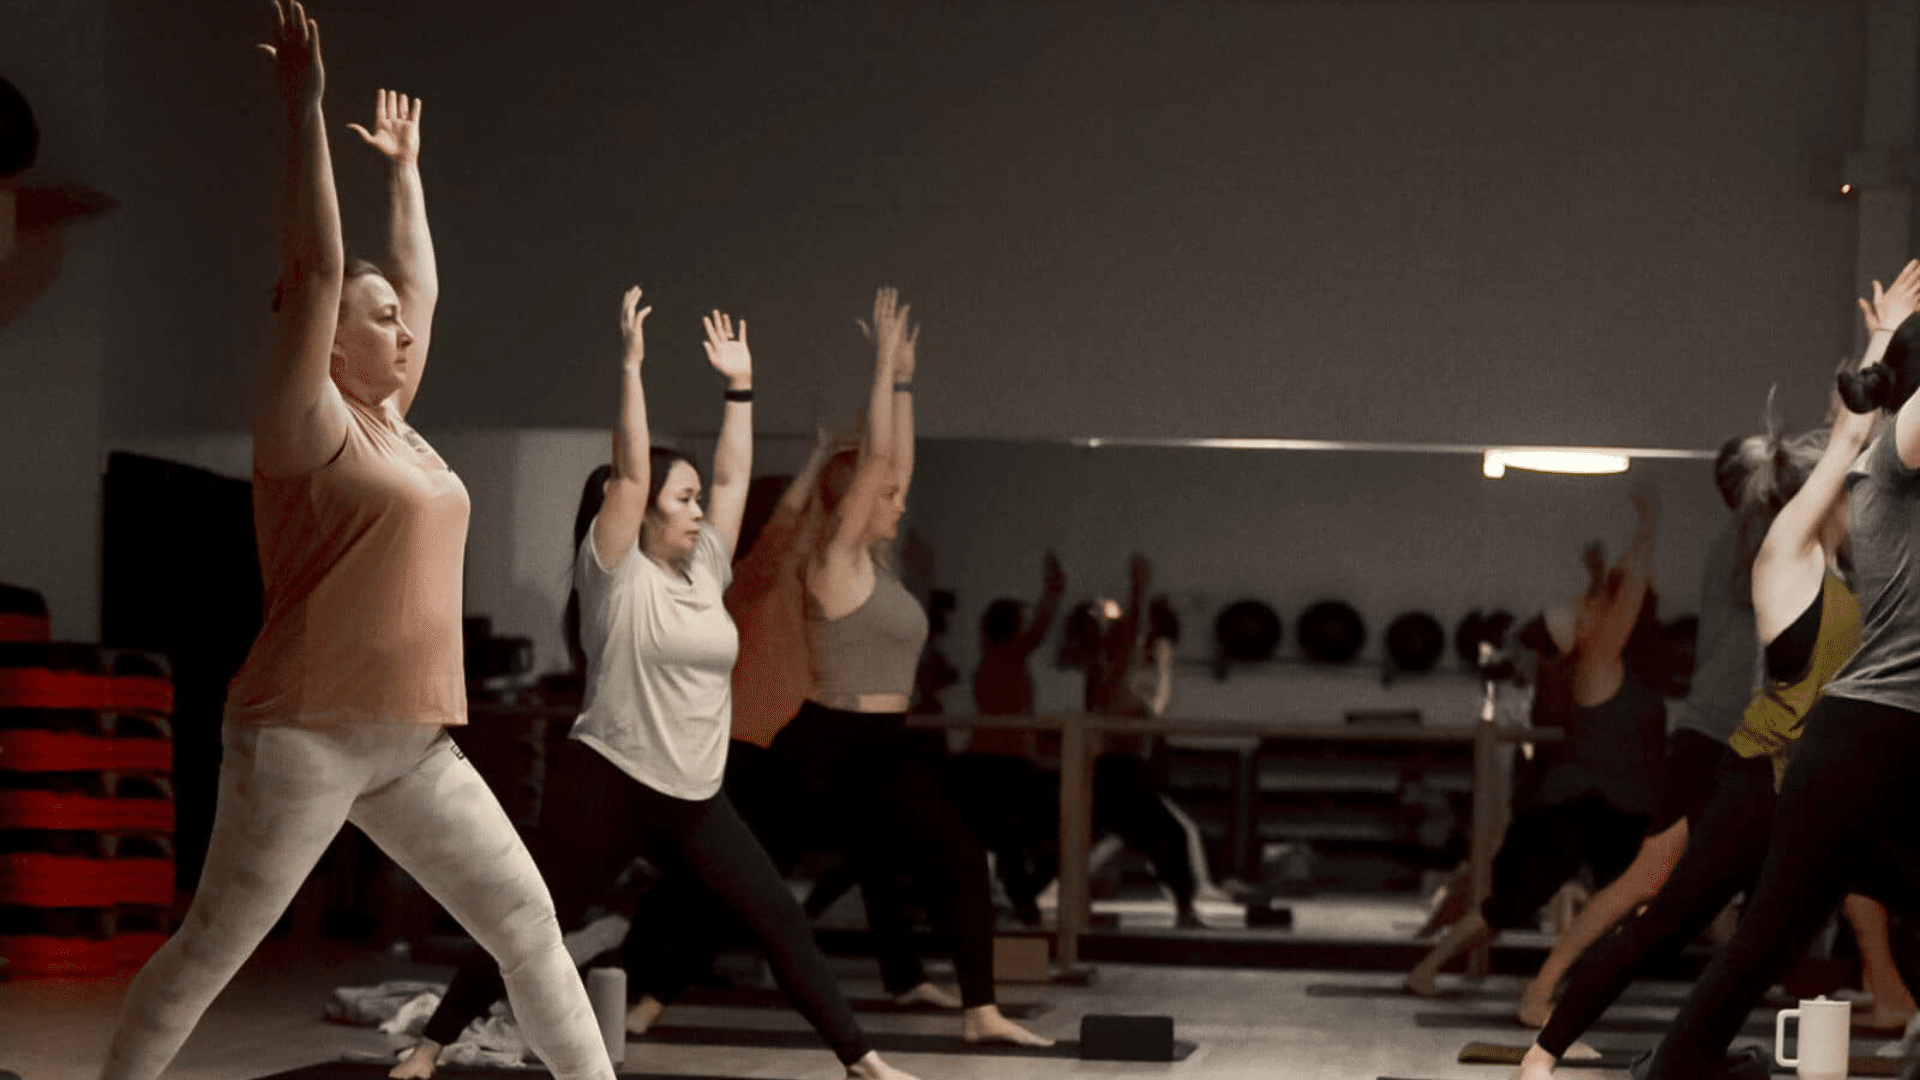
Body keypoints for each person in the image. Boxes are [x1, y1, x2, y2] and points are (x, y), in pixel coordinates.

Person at [98, 9, 613, 1080]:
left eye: (400, 322)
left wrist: (408, 174)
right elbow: (318, 261)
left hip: (410, 745)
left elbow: (421, 285)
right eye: (379, 320)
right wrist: (305, 109)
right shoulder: (307, 424)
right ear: (323, 335)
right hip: (304, 736)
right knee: (204, 960)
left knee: (527, 925)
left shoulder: (395, 426)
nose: (405, 331)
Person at [392, 293, 923, 1080]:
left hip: (694, 794)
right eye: (683, 499)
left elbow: (735, 475)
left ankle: (862, 1062)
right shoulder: (614, 572)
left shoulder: (707, 567)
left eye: (696, 499)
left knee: (779, 916)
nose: (699, 509)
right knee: (528, 919)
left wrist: (740, 389)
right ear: (641, 511)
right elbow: (633, 470)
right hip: (606, 783)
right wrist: (632, 367)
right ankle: (430, 1045)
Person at [1640, 260, 1920, 1080]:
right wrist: (1886, 348)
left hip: (1880, 738)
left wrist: (1882, 338)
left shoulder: (1883, 467)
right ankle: (1670, 1068)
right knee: (1759, 943)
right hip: (1865, 736)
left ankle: (1677, 1066)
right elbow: (1875, 413)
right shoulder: (1894, 465)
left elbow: (1862, 408)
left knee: (1769, 940)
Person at [768, 287, 1051, 1045]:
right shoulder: (835, 559)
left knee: (957, 858)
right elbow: (880, 464)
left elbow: (898, 463)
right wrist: (883, 364)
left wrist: (905, 383)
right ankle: (648, 993)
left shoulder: (883, 568)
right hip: (825, 739)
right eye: (886, 496)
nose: (899, 498)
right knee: (755, 872)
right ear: (854, 503)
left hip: (889, 743)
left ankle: (980, 1011)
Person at [1407, 491, 1666, 996]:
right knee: (1510, 905)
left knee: (1633, 900)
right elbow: (1626, 596)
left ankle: (1554, 982)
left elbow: (1615, 604)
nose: (1601, 607)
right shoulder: (1594, 659)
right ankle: (1432, 968)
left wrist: (1598, 574)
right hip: (1578, 805)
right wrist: (1647, 526)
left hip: (1614, 806)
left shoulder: (1607, 656)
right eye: (1597, 606)